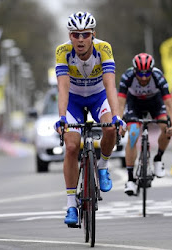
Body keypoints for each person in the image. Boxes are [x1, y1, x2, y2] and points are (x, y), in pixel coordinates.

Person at [54, 11, 126, 225]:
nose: (80, 39)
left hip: (98, 97)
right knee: (71, 147)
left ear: (93, 34)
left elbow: (110, 85)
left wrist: (116, 116)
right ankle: (70, 206)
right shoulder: (63, 51)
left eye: (85, 34)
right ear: (70, 36)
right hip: (74, 101)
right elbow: (63, 88)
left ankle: (103, 166)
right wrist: (61, 118)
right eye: (75, 35)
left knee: (111, 129)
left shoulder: (104, 49)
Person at [117, 53, 172, 196]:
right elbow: (120, 102)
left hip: (154, 102)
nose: (143, 77)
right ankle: (130, 179)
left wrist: (170, 124)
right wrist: (120, 122)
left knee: (165, 128)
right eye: (140, 74)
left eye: (147, 73)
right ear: (134, 71)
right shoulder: (127, 76)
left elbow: (169, 103)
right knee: (134, 132)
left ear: (152, 70)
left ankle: (158, 158)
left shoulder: (158, 77)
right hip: (134, 103)